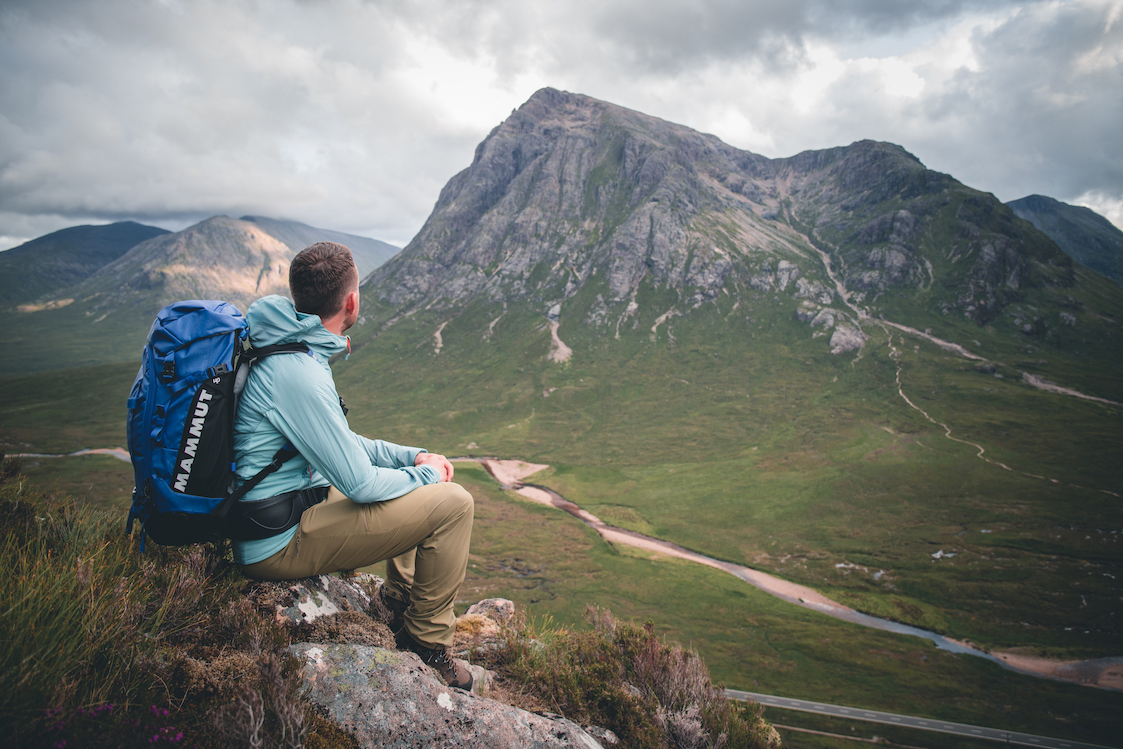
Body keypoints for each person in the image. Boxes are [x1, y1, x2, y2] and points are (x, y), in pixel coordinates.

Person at [231, 241, 475, 690]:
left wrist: (411, 457)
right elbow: (362, 485)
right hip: (275, 542)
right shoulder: (298, 373)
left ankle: (399, 603)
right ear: (351, 301)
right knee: (454, 503)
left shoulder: (291, 348)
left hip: (289, 507)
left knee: (409, 484)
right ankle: (426, 645)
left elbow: (343, 445)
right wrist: (431, 475)